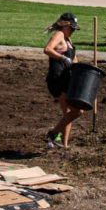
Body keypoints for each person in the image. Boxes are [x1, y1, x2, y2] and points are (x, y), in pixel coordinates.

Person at [43, 12, 82, 149]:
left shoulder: (68, 40)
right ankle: (53, 134)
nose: (72, 31)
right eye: (71, 28)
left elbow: (75, 61)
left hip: (66, 80)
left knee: (69, 113)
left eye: (73, 29)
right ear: (64, 25)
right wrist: (62, 58)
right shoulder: (59, 35)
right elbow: (47, 49)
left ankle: (64, 145)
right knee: (76, 111)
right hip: (57, 79)